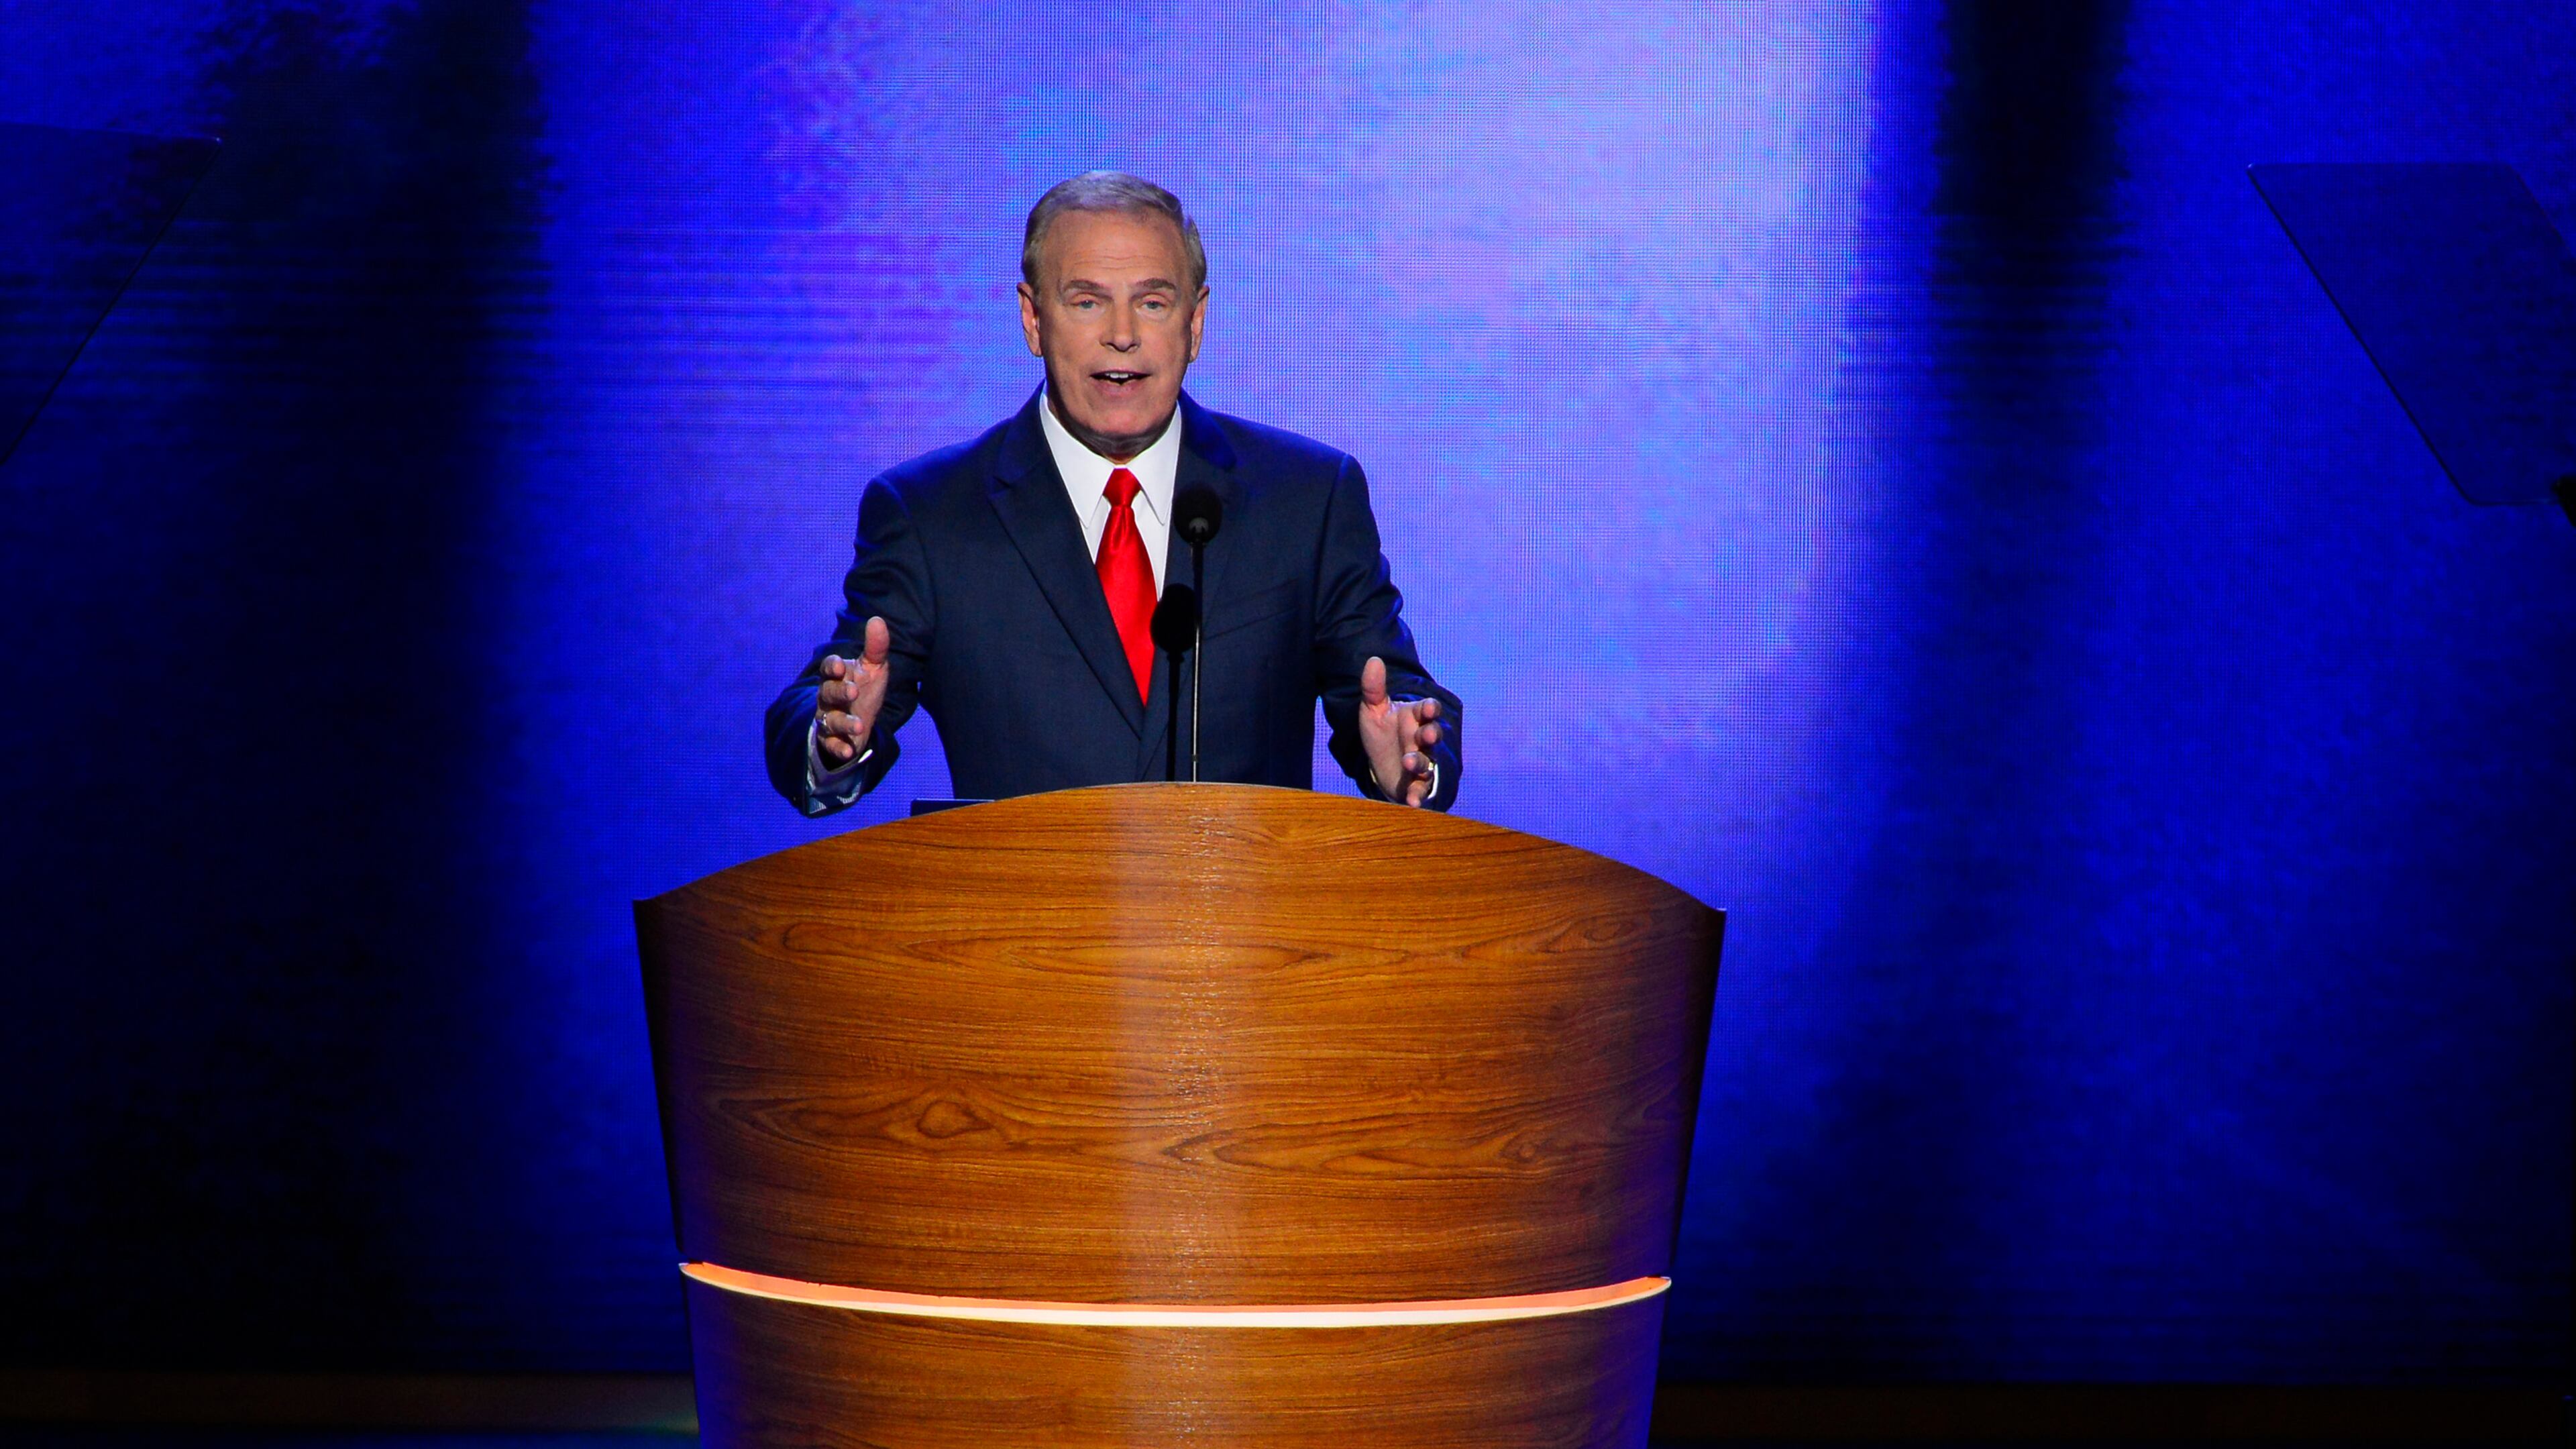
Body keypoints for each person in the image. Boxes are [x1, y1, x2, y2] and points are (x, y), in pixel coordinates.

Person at [764, 172, 1460, 815]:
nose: (1122, 335)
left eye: (1152, 303)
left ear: (1195, 324)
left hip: (1246, 936)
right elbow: (824, 703)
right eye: (1087, 301)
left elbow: (1395, 693)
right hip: (1020, 934)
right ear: (1034, 321)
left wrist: (1408, 761)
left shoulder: (1306, 498)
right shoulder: (931, 513)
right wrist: (835, 737)